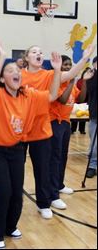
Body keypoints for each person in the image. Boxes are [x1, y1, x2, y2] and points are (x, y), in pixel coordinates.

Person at [0, 43, 61, 249]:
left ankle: (10, 227)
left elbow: (52, 96)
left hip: (17, 150)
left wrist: (57, 70)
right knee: (2, 192)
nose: (16, 73)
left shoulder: (29, 95)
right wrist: (2, 58)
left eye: (18, 71)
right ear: (2, 78)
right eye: (10, 71)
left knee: (16, 192)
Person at [21, 44, 94, 219]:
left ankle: (44, 202)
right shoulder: (18, 75)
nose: (38, 53)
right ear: (26, 58)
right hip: (21, 129)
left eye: (40, 52)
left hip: (41, 129)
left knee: (43, 168)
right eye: (34, 52)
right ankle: (13, 202)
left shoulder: (49, 75)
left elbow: (70, 74)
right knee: (16, 170)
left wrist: (84, 58)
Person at [49, 55, 92, 209]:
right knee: (54, 158)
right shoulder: (57, 82)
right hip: (54, 122)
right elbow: (62, 99)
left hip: (66, 123)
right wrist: (72, 80)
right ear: (59, 67)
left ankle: (59, 184)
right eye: (65, 65)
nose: (67, 67)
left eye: (69, 65)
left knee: (63, 156)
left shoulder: (71, 83)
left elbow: (80, 98)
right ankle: (52, 192)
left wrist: (84, 81)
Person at [80, 56, 97, 178]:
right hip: (95, 114)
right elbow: (85, 95)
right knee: (94, 143)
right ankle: (92, 165)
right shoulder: (90, 77)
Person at [71, 67, 91, 134]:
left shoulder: (91, 81)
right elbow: (80, 90)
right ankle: (73, 129)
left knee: (84, 116)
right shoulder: (80, 81)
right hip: (79, 101)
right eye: (87, 72)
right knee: (76, 115)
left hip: (86, 100)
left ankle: (82, 130)